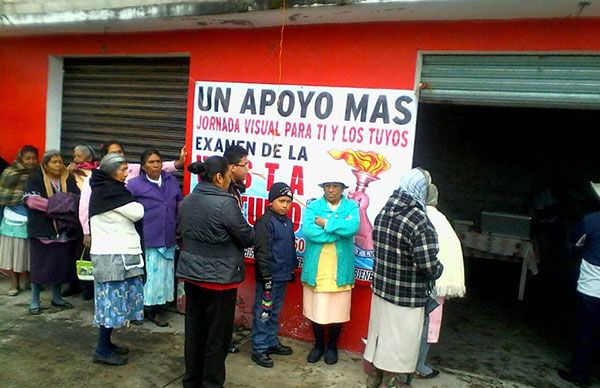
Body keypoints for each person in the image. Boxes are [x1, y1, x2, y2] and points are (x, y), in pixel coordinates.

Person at [176, 157, 254, 388]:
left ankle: (191, 381)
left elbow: (180, 233)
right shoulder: (226, 204)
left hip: (192, 276)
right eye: (228, 175)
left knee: (194, 331)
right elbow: (246, 237)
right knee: (217, 338)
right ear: (219, 177)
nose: (231, 179)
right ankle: (211, 383)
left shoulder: (187, 201)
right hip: (219, 281)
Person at [364, 168, 443, 388]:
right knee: (401, 347)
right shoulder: (419, 221)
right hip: (406, 299)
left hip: (381, 292)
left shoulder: (384, 211)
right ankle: (395, 382)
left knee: (381, 339)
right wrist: (439, 269)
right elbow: (428, 265)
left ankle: (375, 377)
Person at [78, 140, 186, 295]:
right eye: (113, 154)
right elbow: (85, 207)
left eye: (120, 152)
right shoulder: (110, 187)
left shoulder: (141, 173)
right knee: (117, 287)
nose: (126, 172)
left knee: (158, 279)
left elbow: (165, 170)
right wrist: (86, 231)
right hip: (118, 244)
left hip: (160, 238)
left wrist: (179, 163)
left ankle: (153, 308)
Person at [89, 153, 145, 366]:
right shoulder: (109, 192)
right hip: (111, 256)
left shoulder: (108, 189)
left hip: (118, 254)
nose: (127, 173)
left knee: (116, 302)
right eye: (123, 169)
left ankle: (107, 343)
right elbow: (138, 211)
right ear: (111, 172)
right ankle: (102, 350)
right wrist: (136, 202)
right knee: (111, 304)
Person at [301, 179, 360, 365]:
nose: (331, 190)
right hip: (317, 269)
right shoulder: (313, 206)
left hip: (340, 270)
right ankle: (318, 345)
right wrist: (336, 232)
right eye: (327, 186)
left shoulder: (351, 207)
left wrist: (325, 222)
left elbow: (352, 228)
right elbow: (309, 230)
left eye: (335, 186)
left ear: (343, 188)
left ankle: (332, 346)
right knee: (316, 309)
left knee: (337, 311)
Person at [415, 183, 466, 380]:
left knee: (410, 324)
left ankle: (405, 365)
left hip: (414, 281)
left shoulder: (415, 216)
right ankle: (420, 365)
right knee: (427, 324)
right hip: (434, 282)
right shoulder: (440, 219)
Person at [127, 149, 183, 327]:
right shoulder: (134, 185)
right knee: (147, 276)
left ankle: (157, 310)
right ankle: (140, 309)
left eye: (158, 161)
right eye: (151, 162)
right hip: (147, 237)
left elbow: (179, 204)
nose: (156, 165)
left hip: (167, 235)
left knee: (163, 276)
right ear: (143, 166)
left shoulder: (171, 180)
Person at [23, 150, 81, 315]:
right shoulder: (35, 177)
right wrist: (60, 205)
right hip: (43, 229)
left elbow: (76, 199)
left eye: (60, 162)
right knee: (40, 266)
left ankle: (57, 298)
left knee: (60, 265)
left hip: (64, 230)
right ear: (45, 164)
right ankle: (35, 300)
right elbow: (32, 201)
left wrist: (58, 204)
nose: (58, 165)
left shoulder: (68, 177)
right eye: (54, 162)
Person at [557, 181, 600, 388]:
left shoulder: (591, 221)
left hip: (591, 288)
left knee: (585, 331)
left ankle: (580, 374)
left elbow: (574, 240)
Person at [251, 182, 297, 368]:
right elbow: (261, 252)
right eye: (281, 201)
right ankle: (259, 348)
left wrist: (291, 269)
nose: (285, 205)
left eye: (288, 201)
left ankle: (271, 342)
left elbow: (290, 248)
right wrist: (266, 277)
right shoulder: (265, 222)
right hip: (269, 279)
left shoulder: (287, 222)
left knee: (275, 312)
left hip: (283, 276)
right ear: (271, 202)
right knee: (263, 312)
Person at [0, 145, 39, 296]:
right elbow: (3, 196)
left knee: (30, 253)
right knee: (11, 252)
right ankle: (14, 283)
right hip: (12, 218)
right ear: (20, 158)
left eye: (34, 158)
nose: (31, 161)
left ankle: (29, 280)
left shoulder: (39, 173)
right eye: (27, 158)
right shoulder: (10, 173)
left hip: (33, 217)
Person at [223, 144, 250, 353]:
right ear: (232, 167)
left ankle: (224, 339)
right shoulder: (223, 193)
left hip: (231, 256)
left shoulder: (235, 189)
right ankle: (220, 341)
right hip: (221, 257)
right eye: (244, 164)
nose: (247, 169)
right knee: (219, 306)